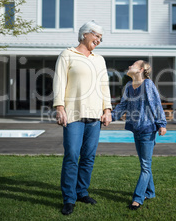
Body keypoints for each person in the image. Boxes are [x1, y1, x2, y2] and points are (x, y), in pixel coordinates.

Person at [53, 21, 112, 215]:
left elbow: (105, 86)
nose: (99, 40)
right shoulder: (67, 54)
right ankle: (69, 198)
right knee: (71, 155)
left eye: (101, 38)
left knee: (88, 157)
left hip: (95, 116)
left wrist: (107, 109)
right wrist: (59, 107)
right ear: (85, 34)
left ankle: (81, 191)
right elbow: (59, 82)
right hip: (73, 114)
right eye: (97, 36)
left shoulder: (99, 59)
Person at [111, 60, 167, 210]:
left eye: (133, 65)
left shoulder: (148, 85)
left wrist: (162, 124)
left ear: (141, 69)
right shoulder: (129, 86)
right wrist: (111, 117)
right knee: (145, 163)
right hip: (136, 129)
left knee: (145, 166)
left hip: (148, 129)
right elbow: (123, 104)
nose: (129, 66)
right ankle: (150, 192)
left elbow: (156, 104)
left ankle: (138, 198)